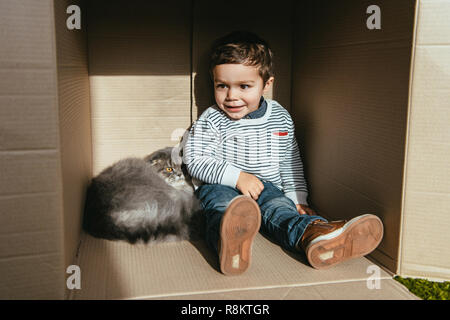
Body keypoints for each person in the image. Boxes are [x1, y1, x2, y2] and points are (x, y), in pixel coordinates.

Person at [183, 31, 383, 275]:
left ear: (267, 84)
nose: (232, 96)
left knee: (279, 209)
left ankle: (313, 236)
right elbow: (195, 160)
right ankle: (228, 244)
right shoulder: (212, 118)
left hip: (268, 186)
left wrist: (298, 197)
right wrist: (237, 177)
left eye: (244, 86)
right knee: (221, 210)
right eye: (222, 86)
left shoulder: (279, 117)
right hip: (219, 184)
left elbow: (290, 160)